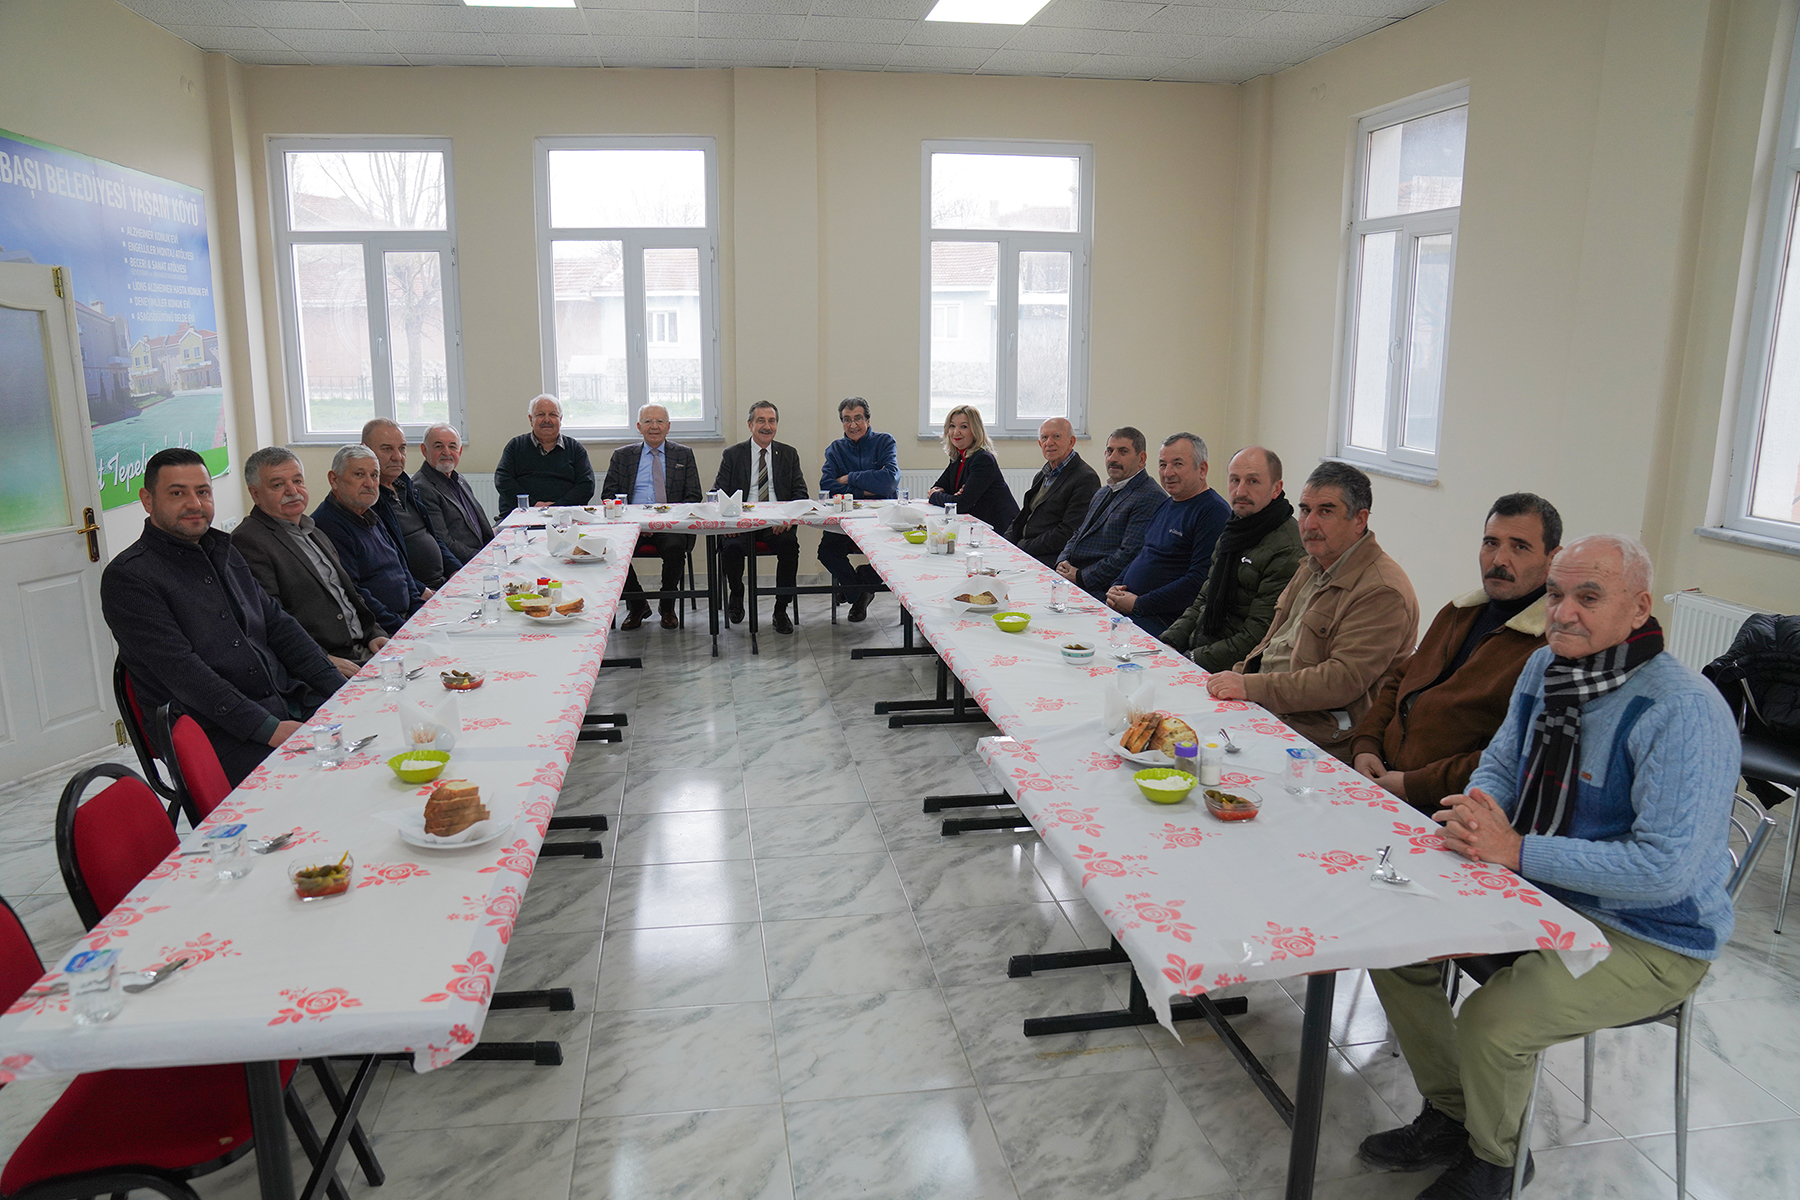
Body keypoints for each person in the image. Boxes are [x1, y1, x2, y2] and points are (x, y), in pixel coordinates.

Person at [1359, 535, 1739, 1200]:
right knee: (1393, 943)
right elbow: (1503, 762)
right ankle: (1454, 1115)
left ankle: (1498, 1162)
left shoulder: (1682, 711)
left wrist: (1517, 851)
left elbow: (1664, 872)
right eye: (1557, 594)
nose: (1563, 612)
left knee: (1493, 1022)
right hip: (1541, 892)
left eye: (1588, 597)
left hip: (1649, 934)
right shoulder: (1544, 667)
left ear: (1640, 607)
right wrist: (1481, 815)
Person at [101, 448, 343, 788]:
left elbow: (280, 627)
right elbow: (184, 674)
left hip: (281, 701)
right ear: (147, 500)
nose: (195, 504)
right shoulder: (129, 578)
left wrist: (340, 689)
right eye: (177, 493)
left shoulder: (225, 551)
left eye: (202, 491)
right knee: (328, 784)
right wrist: (269, 729)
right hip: (213, 733)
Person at [1348, 493, 1561, 815]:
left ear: (1553, 558)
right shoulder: (1459, 612)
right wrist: (1366, 744)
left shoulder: (1547, 646)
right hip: (1380, 777)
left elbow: (1511, 753)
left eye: (1519, 547)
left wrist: (1413, 785)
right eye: (1491, 543)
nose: (1499, 559)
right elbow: (1400, 681)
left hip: (1449, 809)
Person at [1206, 461, 1417, 758]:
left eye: (1325, 511)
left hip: (1318, 736)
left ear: (1359, 519)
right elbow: (1271, 645)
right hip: (1266, 709)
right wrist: (1238, 677)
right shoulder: (1313, 564)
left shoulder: (1382, 591)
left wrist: (1250, 687)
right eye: (1305, 510)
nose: (1309, 524)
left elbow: (1341, 681)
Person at [232, 446, 391, 679]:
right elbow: (270, 623)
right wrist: (323, 659)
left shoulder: (312, 529)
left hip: (364, 649)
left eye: (297, 481)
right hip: (323, 664)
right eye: (278, 485)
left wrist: (374, 633)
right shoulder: (248, 542)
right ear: (255, 494)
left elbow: (348, 592)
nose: (292, 491)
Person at [1162, 445, 1303, 670]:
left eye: (1253, 481)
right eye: (1235, 480)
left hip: (1237, 671)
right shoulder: (1235, 529)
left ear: (1276, 488)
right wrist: (1168, 642)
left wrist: (1191, 659)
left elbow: (1257, 638)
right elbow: (1204, 599)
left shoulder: (1287, 549)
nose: (1240, 491)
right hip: (1204, 649)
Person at [1103, 433, 1230, 638]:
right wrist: (1116, 585)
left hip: (1164, 620)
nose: (1168, 473)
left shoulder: (1213, 512)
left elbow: (1198, 581)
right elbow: (1144, 553)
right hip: (1132, 608)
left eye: (1177, 464)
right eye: (1162, 465)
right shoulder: (1167, 504)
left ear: (1202, 469)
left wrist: (1139, 604)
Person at [601, 404, 701, 630]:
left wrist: (663, 521)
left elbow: (693, 496)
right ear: (639, 427)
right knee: (613, 551)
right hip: (631, 525)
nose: (654, 426)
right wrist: (638, 520)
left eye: (659, 421)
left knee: (675, 548)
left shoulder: (684, 454)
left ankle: (667, 605)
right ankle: (637, 605)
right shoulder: (622, 456)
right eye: (648, 421)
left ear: (668, 426)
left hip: (669, 525)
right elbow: (608, 495)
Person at [714, 401, 809, 634]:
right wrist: (729, 522)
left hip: (776, 523)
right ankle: (737, 593)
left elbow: (800, 494)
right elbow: (717, 494)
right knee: (731, 547)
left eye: (772, 421)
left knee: (789, 546)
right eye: (761, 421)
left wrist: (787, 519)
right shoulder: (733, 455)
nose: (767, 426)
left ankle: (781, 609)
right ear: (750, 425)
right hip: (741, 521)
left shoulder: (788, 454)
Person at [312, 443, 428, 629]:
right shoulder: (328, 525)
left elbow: (400, 568)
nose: (369, 483)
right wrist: (403, 627)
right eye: (359, 474)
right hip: (383, 628)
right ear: (334, 479)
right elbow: (354, 594)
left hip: (407, 618)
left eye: (374, 475)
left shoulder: (369, 513)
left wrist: (419, 610)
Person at [1054, 426, 1165, 598]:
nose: (1113, 458)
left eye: (1123, 452)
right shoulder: (1103, 492)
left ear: (1141, 459)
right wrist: (1063, 560)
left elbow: (1128, 555)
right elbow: (1079, 533)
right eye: (1109, 451)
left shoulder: (1150, 496)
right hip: (1073, 576)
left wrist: (1080, 577)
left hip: (1103, 589)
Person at [818, 396, 899, 622]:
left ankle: (857, 586)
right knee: (827, 552)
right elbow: (827, 486)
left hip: (879, 519)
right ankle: (859, 593)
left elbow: (889, 481)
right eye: (847, 419)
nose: (852, 425)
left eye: (858, 418)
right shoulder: (835, 449)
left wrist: (850, 478)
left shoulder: (885, 442)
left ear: (868, 420)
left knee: (892, 554)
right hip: (844, 519)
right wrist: (868, 489)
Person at [362, 418, 461, 589]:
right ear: (365, 450)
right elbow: (386, 565)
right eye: (387, 449)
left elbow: (434, 537)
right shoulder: (368, 501)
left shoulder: (406, 487)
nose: (397, 457)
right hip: (416, 592)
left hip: (442, 582)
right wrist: (421, 591)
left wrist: (456, 570)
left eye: (402, 448)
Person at [1007, 417, 1101, 567]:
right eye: (1044, 438)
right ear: (1040, 444)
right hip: (1028, 548)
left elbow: (1068, 532)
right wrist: (1005, 543)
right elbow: (1024, 516)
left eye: (1056, 436)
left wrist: (1023, 548)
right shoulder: (1042, 475)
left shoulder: (1085, 478)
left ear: (1071, 442)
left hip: (1053, 558)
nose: (1049, 442)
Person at [493, 394, 595, 516]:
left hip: (565, 515)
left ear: (560, 419)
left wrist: (556, 508)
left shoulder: (575, 448)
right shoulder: (515, 446)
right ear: (531, 419)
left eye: (553, 414)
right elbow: (502, 480)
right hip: (522, 514)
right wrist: (533, 505)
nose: (547, 420)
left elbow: (586, 485)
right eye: (540, 414)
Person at [926, 405, 1019, 533]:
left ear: (975, 431)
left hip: (1000, 530)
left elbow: (960, 505)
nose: (956, 432)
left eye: (963, 427)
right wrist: (951, 496)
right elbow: (938, 487)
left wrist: (937, 496)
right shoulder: (958, 458)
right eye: (952, 426)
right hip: (976, 526)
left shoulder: (983, 459)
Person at [412, 422, 494, 563]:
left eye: (452, 446)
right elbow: (444, 542)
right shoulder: (422, 487)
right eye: (439, 446)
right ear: (424, 450)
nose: (447, 452)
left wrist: (495, 549)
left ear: (459, 451)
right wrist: (484, 558)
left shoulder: (458, 479)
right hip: (463, 564)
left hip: (482, 555)